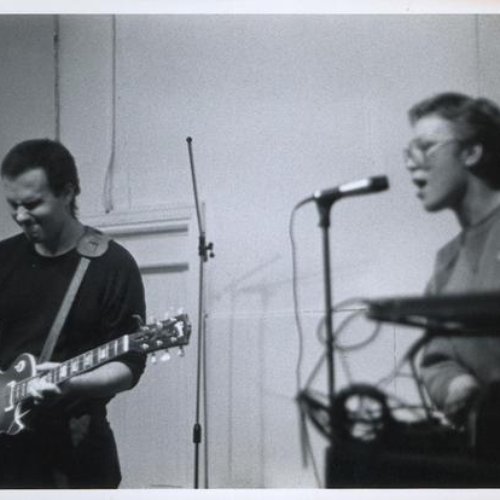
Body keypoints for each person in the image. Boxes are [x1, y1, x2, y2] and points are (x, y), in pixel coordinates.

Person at [0, 138, 147, 488]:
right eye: (12, 205)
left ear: (67, 192)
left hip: (75, 452)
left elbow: (129, 365)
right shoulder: (3, 259)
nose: (20, 216)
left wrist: (71, 384)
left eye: (32, 204)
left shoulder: (112, 265)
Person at [404, 92, 500, 458]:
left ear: (471, 152)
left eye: (427, 148)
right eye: (409, 152)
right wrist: (456, 385)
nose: (412, 164)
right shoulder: (446, 263)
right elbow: (436, 358)